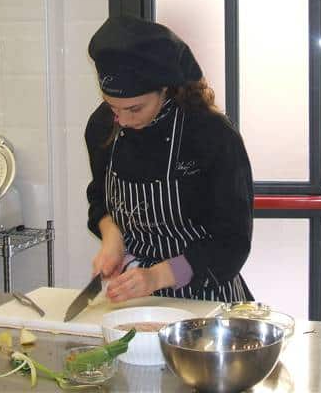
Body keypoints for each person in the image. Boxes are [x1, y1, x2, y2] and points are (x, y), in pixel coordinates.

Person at [85, 15, 254, 303]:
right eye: (113, 107)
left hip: (206, 301)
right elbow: (99, 197)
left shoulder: (211, 135)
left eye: (135, 109)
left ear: (164, 87)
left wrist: (157, 276)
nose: (122, 121)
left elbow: (231, 242)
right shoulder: (102, 126)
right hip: (136, 298)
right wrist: (112, 237)